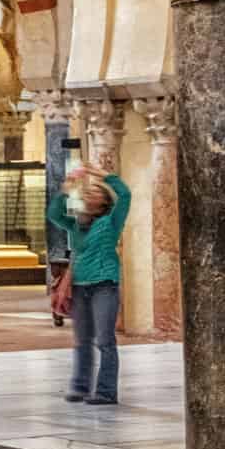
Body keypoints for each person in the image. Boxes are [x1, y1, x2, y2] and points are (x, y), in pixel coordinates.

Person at [47, 167, 132, 405]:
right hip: (80, 287)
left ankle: (106, 392)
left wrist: (99, 174)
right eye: (88, 191)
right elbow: (54, 214)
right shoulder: (77, 224)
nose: (90, 194)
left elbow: (125, 195)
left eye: (97, 192)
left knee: (105, 340)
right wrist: (67, 187)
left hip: (104, 284)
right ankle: (80, 387)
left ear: (104, 201)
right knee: (81, 340)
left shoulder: (111, 221)